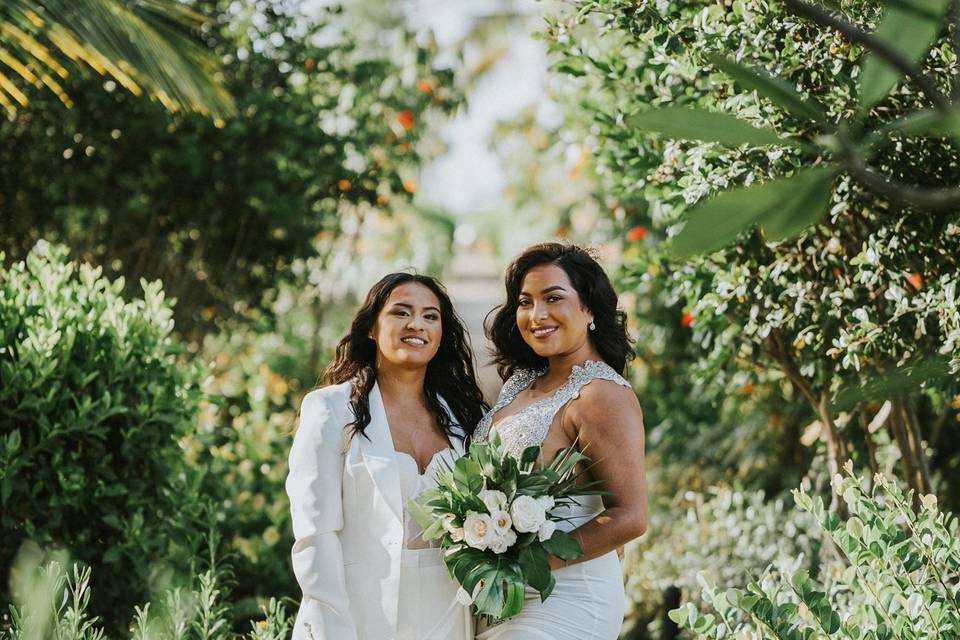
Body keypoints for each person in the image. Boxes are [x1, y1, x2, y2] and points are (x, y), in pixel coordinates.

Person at [286, 272, 488, 640]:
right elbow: (315, 534)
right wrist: (333, 625)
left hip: (448, 615)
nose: (417, 324)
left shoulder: (464, 418)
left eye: (431, 316)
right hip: (359, 614)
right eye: (401, 312)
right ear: (371, 328)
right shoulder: (330, 410)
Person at [475, 242, 648, 640]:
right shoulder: (520, 383)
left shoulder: (601, 394)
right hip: (505, 596)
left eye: (553, 298)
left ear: (589, 309)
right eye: (524, 302)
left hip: (567, 598)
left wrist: (522, 564)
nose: (537, 315)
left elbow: (630, 516)